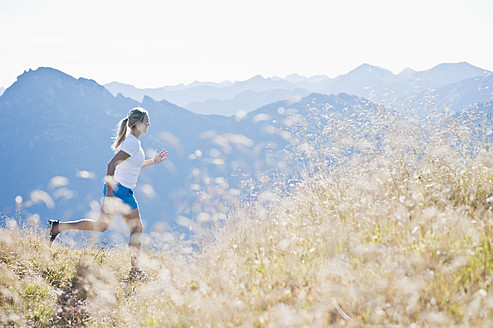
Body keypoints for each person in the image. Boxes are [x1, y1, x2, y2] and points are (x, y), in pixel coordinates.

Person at [47, 107, 167, 280]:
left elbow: (132, 164)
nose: (149, 124)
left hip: (123, 191)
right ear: (138, 123)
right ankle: (135, 271)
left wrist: (152, 161)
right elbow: (111, 165)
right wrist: (110, 193)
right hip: (119, 190)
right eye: (146, 121)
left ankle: (57, 227)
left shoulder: (133, 141)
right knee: (135, 228)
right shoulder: (132, 142)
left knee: (103, 226)